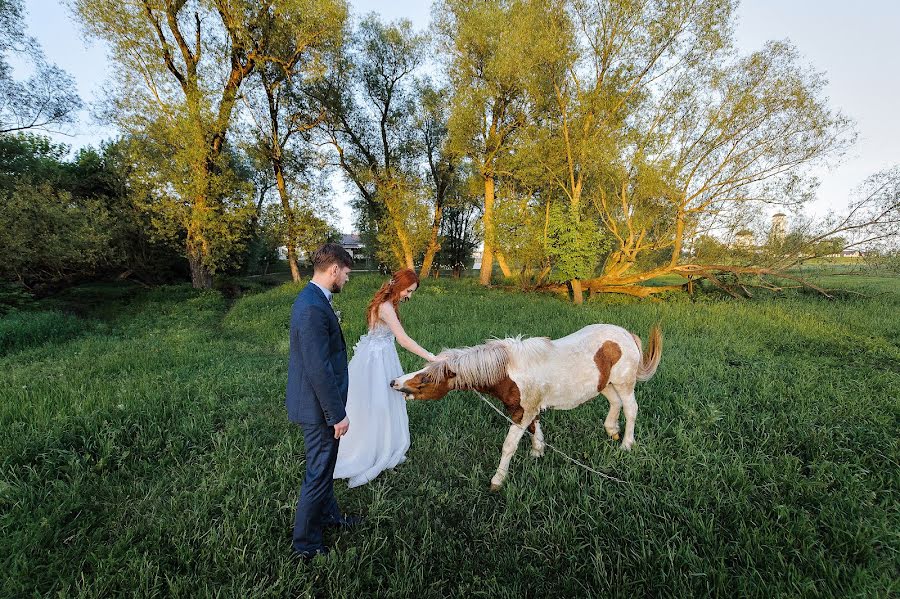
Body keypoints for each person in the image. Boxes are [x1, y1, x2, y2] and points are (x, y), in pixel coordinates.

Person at [286, 243, 360, 560]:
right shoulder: (311, 308)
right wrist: (336, 415)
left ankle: (330, 515)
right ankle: (306, 545)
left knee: (325, 468)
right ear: (333, 270)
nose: (346, 278)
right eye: (346, 273)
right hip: (318, 410)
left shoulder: (316, 299)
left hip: (319, 407)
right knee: (317, 474)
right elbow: (318, 369)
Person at [333, 268, 437, 488]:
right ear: (399, 285)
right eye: (408, 290)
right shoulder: (386, 307)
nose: (409, 295)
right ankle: (370, 449)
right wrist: (431, 357)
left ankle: (381, 443)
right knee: (377, 403)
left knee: (380, 402)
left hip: (379, 356)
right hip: (377, 362)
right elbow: (403, 340)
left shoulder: (386, 304)